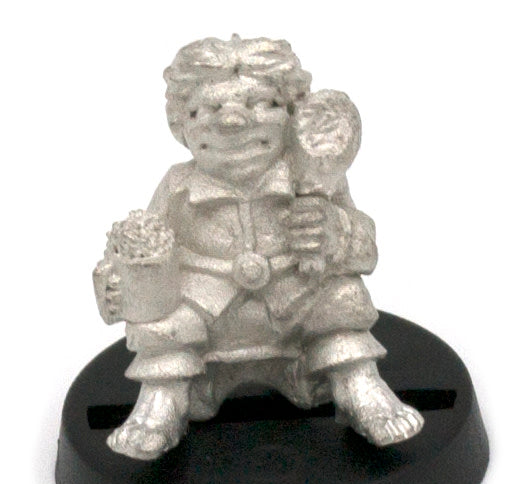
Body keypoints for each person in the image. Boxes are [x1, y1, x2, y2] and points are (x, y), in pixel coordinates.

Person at [100, 36, 424, 460]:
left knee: (342, 296)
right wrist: (122, 279)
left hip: (296, 298)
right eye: (207, 109)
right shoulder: (178, 187)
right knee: (165, 323)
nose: (233, 121)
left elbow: (365, 249)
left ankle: (358, 385)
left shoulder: (313, 175)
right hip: (206, 309)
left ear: (293, 116)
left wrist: (335, 233)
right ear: (179, 124)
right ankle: (161, 403)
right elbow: (147, 240)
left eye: (260, 104)